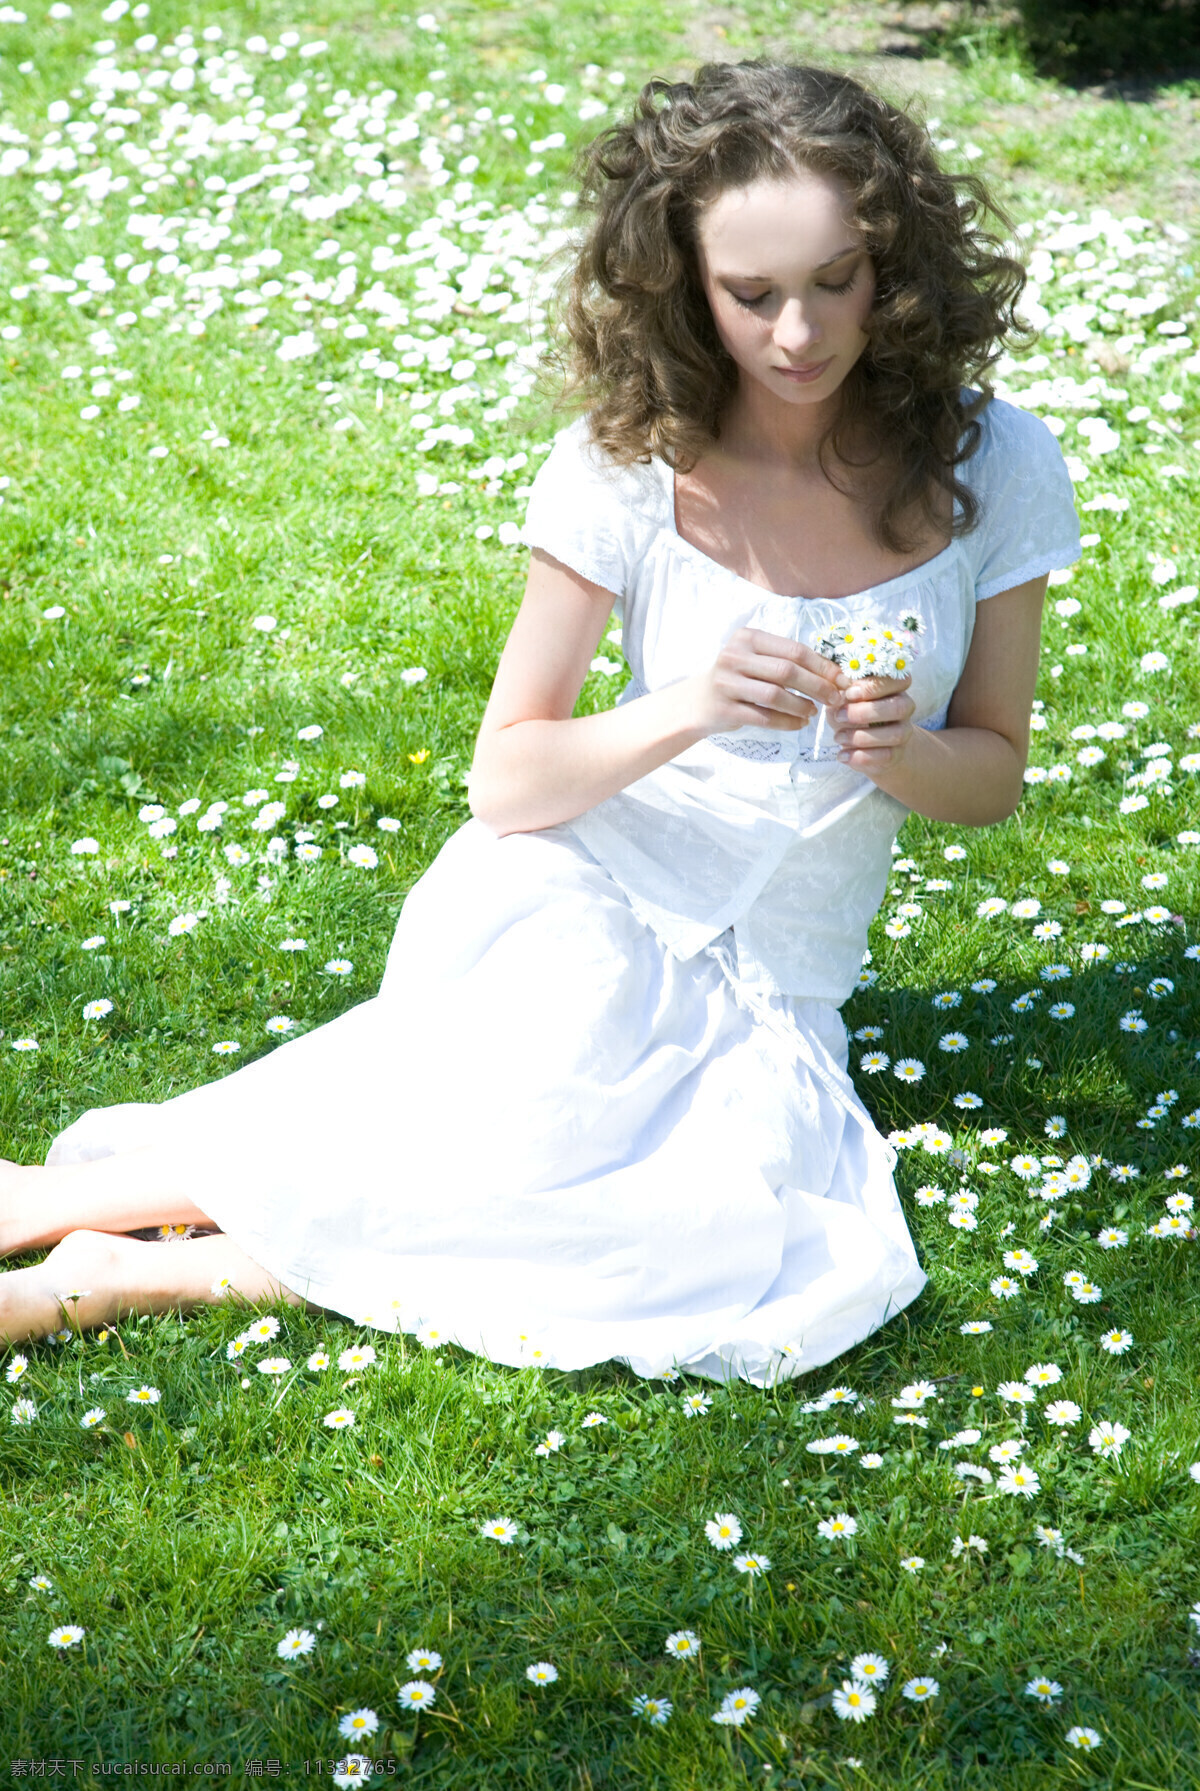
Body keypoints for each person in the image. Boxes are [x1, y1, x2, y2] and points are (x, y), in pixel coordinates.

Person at [0, 61, 1080, 1385]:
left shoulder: (999, 464)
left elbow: (995, 773)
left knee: (706, 1235)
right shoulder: (626, 465)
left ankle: (123, 1266)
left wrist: (898, 752)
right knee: (528, 1136)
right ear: (688, 286)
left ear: (896, 263)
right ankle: (57, 1218)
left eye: (837, 281)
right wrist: (689, 705)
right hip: (583, 884)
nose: (799, 335)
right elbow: (509, 780)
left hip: (780, 975)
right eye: (752, 297)